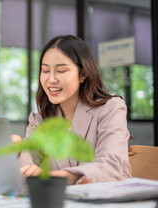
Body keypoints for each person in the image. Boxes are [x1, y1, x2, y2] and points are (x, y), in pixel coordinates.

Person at [19, 35, 132, 185]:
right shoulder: (40, 120)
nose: (51, 79)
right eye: (45, 70)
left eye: (61, 71)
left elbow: (112, 166)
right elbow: (28, 165)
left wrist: (56, 177)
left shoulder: (110, 108)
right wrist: (18, 151)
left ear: (83, 74)